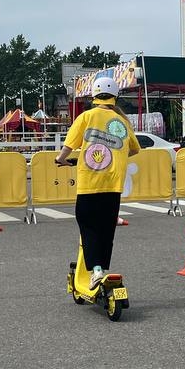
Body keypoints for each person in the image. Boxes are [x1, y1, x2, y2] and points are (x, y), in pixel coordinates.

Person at [54, 77, 140, 288]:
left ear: (94, 95)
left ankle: (96, 271)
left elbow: (68, 146)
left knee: (88, 226)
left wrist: (61, 160)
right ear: (115, 96)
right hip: (113, 186)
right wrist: (116, 155)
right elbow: (135, 148)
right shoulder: (122, 121)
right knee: (106, 229)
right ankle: (103, 267)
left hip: (90, 185)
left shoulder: (87, 117)